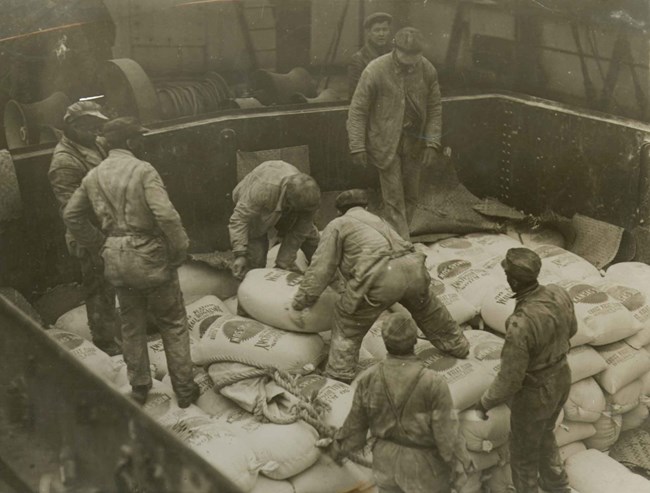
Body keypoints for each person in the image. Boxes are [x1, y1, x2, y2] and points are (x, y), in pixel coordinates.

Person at [63, 117, 199, 407]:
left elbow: (71, 215)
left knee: (130, 324)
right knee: (173, 323)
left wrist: (98, 243)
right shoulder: (143, 170)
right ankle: (185, 391)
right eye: (138, 138)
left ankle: (139, 387)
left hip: (116, 257)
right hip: (149, 254)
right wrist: (179, 249)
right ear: (129, 142)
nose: (141, 142)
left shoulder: (94, 175)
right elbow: (166, 215)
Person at [291, 189, 469, 384]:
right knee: (429, 310)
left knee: (347, 322)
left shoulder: (337, 224)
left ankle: (339, 375)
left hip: (381, 276)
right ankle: (457, 345)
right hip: (414, 269)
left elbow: (322, 266)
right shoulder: (379, 220)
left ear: (339, 211)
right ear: (365, 206)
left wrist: (304, 298)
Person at [329, 312, 472, 493]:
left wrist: (337, 448)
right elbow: (446, 432)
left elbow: (354, 430)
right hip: (424, 466)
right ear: (414, 341)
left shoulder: (368, 379)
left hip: (385, 463)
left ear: (385, 342)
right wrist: (461, 464)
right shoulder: (433, 381)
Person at [476, 248, 576, 493]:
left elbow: (510, 379)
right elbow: (572, 329)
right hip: (562, 376)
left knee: (523, 455)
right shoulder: (558, 293)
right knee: (545, 433)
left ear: (512, 281)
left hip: (536, 393)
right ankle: (558, 486)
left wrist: (484, 403)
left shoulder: (520, 323)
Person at [347, 27, 442, 240]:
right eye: (405, 56)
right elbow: (358, 110)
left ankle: (398, 234)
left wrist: (432, 143)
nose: (410, 62)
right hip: (385, 142)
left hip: (414, 143)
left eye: (415, 57)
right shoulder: (374, 70)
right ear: (394, 48)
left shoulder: (427, 69)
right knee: (393, 197)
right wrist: (357, 146)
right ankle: (402, 244)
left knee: (411, 195)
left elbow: (435, 107)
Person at [49, 101, 120, 355]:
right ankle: (106, 343)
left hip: (110, 227)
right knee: (98, 288)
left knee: (115, 283)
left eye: (96, 126)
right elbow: (72, 214)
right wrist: (99, 244)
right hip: (89, 235)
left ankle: (117, 330)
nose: (95, 132)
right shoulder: (64, 163)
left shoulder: (96, 143)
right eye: (89, 127)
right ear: (73, 127)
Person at [229, 160, 321, 280]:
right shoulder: (263, 188)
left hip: (286, 203)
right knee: (256, 258)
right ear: (288, 201)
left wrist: (282, 265)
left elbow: (298, 233)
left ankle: (326, 279)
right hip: (256, 208)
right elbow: (240, 219)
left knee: (311, 240)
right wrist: (240, 254)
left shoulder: (309, 199)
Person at [348, 12, 393, 97]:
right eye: (377, 30)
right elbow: (357, 94)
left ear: (389, 31)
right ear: (368, 33)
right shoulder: (358, 59)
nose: (381, 34)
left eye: (385, 29)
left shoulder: (395, 55)